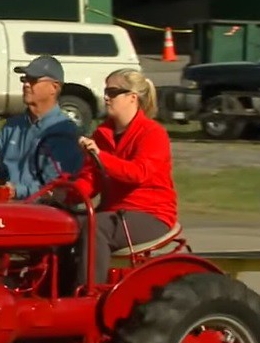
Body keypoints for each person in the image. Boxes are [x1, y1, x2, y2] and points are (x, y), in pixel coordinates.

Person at [66, 67, 178, 287]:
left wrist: (100, 156)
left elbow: (138, 173)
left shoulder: (152, 133)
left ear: (132, 98)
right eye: (106, 91)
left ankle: (88, 295)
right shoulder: (102, 134)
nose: (106, 97)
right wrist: (64, 196)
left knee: (95, 227)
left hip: (151, 214)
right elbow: (91, 178)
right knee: (61, 225)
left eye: (113, 92)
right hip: (114, 214)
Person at [0, 55, 84, 200]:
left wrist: (16, 191)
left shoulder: (65, 131)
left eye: (33, 80)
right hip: (7, 208)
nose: (26, 84)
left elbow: (58, 188)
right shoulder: (11, 127)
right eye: (24, 80)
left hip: (46, 213)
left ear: (54, 87)